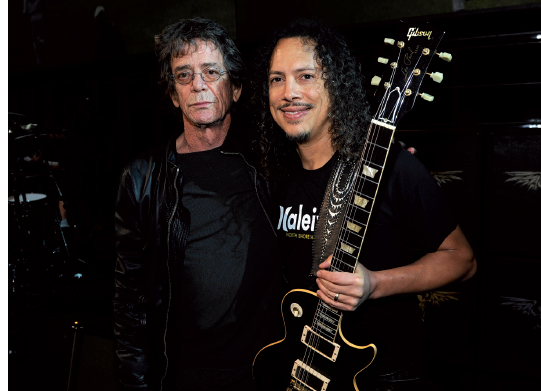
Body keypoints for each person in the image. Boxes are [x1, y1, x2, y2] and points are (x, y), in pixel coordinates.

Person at [250, 20, 477, 390]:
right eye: (277, 79)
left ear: (335, 85)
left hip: (384, 376)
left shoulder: (392, 168)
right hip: (302, 367)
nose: (289, 92)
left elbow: (463, 259)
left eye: (305, 76)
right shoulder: (276, 178)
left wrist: (374, 284)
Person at [114, 17, 282, 391]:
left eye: (211, 71)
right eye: (184, 76)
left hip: (268, 370)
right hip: (185, 375)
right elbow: (131, 299)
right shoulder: (142, 178)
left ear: (235, 87)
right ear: (174, 95)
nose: (199, 86)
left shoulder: (272, 163)